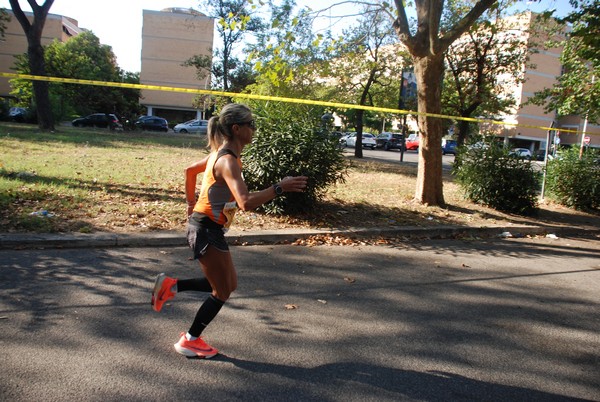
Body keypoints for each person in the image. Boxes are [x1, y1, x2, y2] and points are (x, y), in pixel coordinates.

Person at [151, 103, 308, 358]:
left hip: (207, 228)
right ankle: (190, 340)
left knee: (228, 284)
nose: (254, 130)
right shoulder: (226, 160)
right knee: (222, 290)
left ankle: (171, 286)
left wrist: (190, 203)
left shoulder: (221, 154)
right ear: (237, 129)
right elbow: (245, 202)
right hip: (205, 230)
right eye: (251, 125)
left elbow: (189, 171)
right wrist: (279, 187)